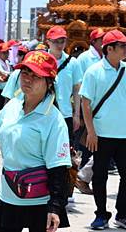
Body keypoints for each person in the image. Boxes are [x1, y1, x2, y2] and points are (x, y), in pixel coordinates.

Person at [0, 50, 71, 232]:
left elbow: (58, 168)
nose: (27, 79)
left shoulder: (54, 120)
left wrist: (55, 207)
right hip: (9, 194)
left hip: (39, 201)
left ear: (49, 83)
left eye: (35, 76)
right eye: (24, 73)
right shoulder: (13, 106)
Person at [79, 29, 126, 230]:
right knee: (99, 176)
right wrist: (90, 131)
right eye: (122, 46)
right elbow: (86, 103)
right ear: (110, 49)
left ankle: (122, 214)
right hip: (101, 135)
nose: (125, 49)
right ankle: (101, 214)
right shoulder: (94, 71)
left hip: (124, 134)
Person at [74, 28, 105, 196]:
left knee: (96, 143)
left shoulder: (105, 57)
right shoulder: (85, 58)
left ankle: (83, 176)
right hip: (87, 104)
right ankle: (78, 176)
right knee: (82, 141)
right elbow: (79, 82)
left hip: (99, 105)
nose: (103, 41)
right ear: (93, 41)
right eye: (100, 39)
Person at [46, 26, 82, 143]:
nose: (59, 45)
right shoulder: (41, 60)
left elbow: (77, 89)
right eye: (56, 41)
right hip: (43, 113)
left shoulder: (73, 63)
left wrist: (76, 115)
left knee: (65, 149)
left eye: (62, 41)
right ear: (48, 42)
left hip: (65, 114)